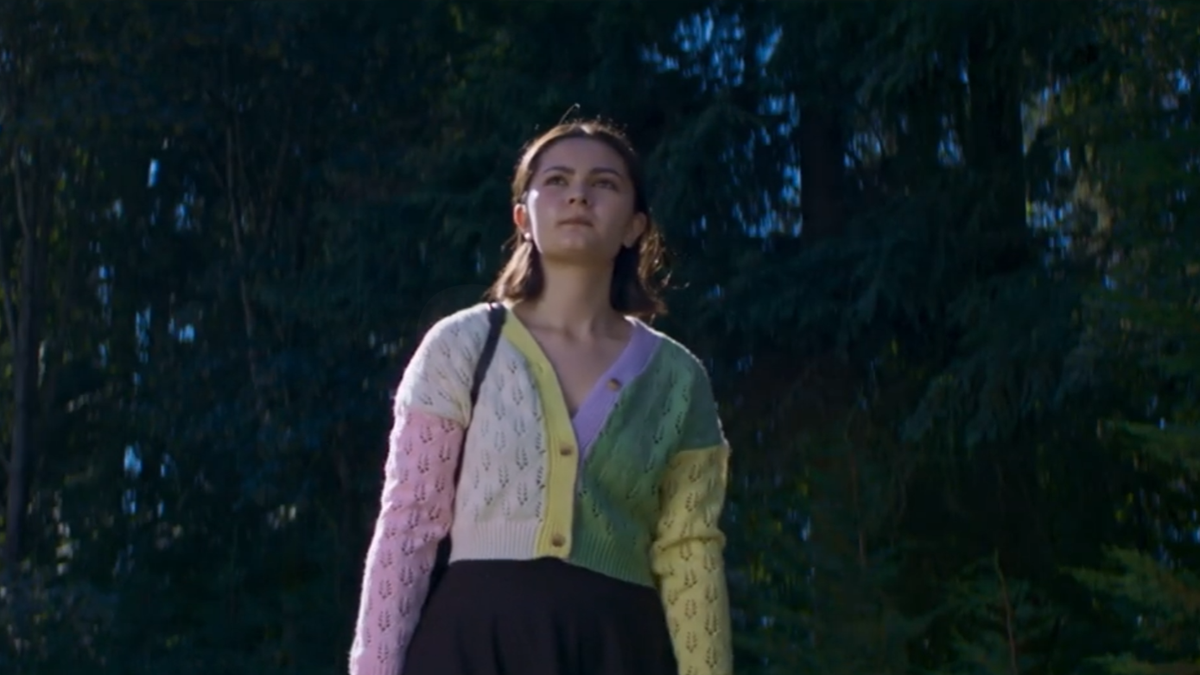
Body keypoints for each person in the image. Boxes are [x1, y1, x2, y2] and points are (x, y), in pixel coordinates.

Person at [348, 118, 733, 675]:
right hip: (472, 645)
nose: (578, 195)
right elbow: (409, 522)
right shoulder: (462, 345)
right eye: (556, 180)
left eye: (604, 183)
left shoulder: (678, 378)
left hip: (617, 648)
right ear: (522, 218)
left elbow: (690, 549)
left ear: (635, 226)